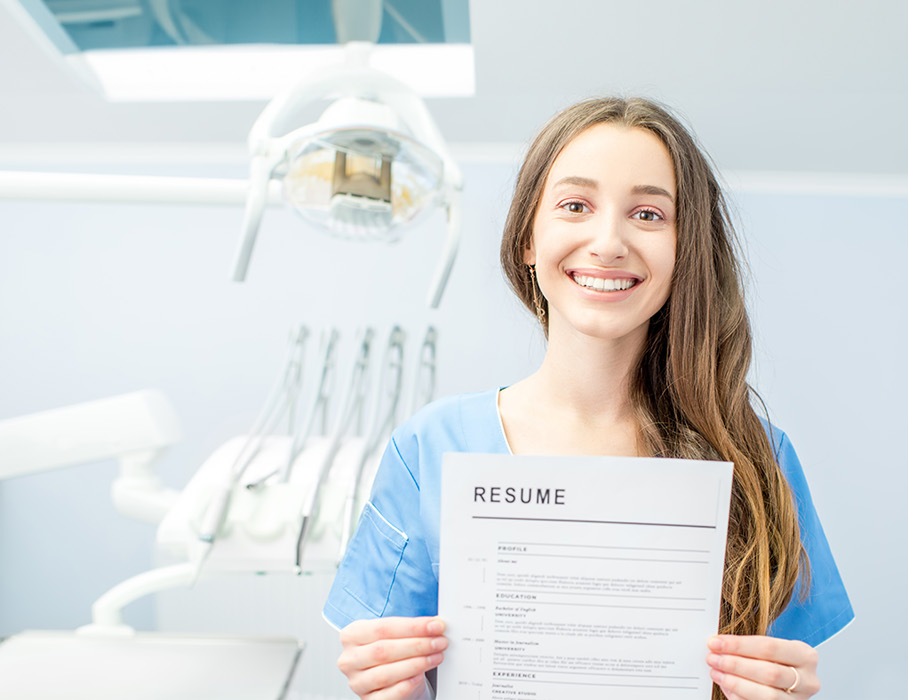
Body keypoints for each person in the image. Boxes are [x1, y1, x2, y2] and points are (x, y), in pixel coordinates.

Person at [323, 96, 853, 700]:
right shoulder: (430, 449)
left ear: (686, 253)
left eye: (649, 215)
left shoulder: (755, 459)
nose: (608, 242)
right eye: (575, 206)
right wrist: (395, 690)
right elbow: (398, 673)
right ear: (527, 236)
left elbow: (775, 664)